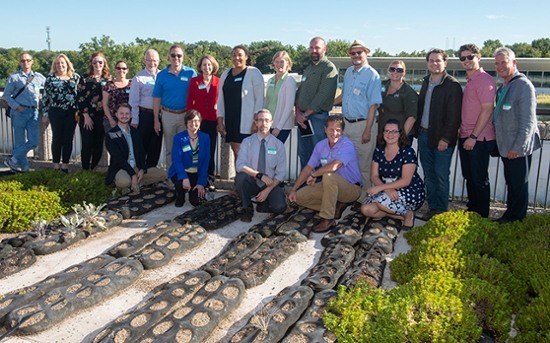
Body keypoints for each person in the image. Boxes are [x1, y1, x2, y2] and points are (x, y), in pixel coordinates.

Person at [288, 115, 362, 233]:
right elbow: (307, 168)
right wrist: (293, 189)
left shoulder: (347, 145)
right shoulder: (320, 145)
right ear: (325, 130)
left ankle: (328, 218)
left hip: (351, 189)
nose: (334, 133)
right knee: (299, 197)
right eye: (331, 129)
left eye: (338, 130)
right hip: (330, 186)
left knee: (328, 176)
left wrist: (314, 175)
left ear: (342, 131)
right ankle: (335, 207)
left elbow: (333, 167)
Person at [492, 47, 541, 224]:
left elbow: (528, 121)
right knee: (512, 183)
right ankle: (510, 216)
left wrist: (517, 147)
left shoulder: (523, 86)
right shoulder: (504, 86)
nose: (499, 66)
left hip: (516, 147)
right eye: (496, 63)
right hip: (506, 146)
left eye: (503, 62)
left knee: (519, 186)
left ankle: (517, 219)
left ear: (513, 63)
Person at [415, 48, 462, 221]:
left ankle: (442, 211)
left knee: (441, 174)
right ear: (427, 63)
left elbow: (454, 116)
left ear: (445, 62)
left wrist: (446, 138)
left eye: (438, 60)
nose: (434, 63)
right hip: (424, 135)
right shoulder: (426, 82)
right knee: (428, 173)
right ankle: (432, 207)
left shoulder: (452, 85)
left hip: (442, 138)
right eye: (431, 60)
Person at [334, 40, 382, 207]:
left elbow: (373, 104)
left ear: (366, 53)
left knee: (364, 165)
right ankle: (349, 195)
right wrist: (328, 104)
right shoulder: (348, 72)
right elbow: (344, 96)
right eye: (353, 53)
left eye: (359, 52)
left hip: (363, 125)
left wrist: (367, 130)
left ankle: (363, 199)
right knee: (346, 163)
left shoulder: (372, 75)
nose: (356, 56)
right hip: (347, 125)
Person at [361, 119, 425, 230]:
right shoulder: (379, 150)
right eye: (387, 131)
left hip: (410, 190)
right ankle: (397, 214)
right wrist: (387, 190)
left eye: (394, 131)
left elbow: (406, 181)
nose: (390, 134)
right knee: (366, 209)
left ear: (400, 134)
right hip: (387, 190)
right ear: (383, 133)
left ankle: (407, 215)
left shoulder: (408, 152)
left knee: (381, 202)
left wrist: (381, 188)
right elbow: (374, 176)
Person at [457, 44, 497, 218]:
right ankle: (472, 211)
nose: (466, 60)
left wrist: (473, 136)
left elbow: (487, 110)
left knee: (479, 179)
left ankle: (481, 216)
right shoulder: (471, 80)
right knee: (470, 176)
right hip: (466, 136)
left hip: (479, 139)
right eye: (463, 58)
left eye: (470, 57)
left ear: (478, 57)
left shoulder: (485, 80)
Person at [235, 109, 287, 222]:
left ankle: (262, 205)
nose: (264, 124)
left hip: (269, 183)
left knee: (280, 207)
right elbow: (239, 165)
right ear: (256, 123)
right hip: (252, 181)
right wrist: (259, 175)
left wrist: (267, 190)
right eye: (261, 120)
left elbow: (281, 173)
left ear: (271, 123)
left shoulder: (278, 145)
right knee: (241, 177)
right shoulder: (247, 142)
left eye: (267, 120)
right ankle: (247, 207)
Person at [295, 37, 338, 170]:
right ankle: (304, 187)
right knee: (304, 154)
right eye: (311, 48)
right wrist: (298, 114)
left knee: (319, 154)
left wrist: (305, 114)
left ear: (324, 49)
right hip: (303, 119)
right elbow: (300, 92)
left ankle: (318, 186)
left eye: (317, 48)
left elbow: (323, 95)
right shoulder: (308, 69)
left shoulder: (329, 68)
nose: (314, 51)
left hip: (317, 118)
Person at [217, 45, 264, 161]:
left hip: (246, 121)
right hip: (230, 120)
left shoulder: (253, 72)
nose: (236, 58)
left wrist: (255, 121)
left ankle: (245, 178)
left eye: (240, 55)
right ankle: (241, 177)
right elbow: (221, 98)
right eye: (234, 55)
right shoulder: (226, 74)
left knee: (241, 152)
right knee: (235, 150)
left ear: (246, 57)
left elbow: (259, 98)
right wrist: (220, 120)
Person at [153, 45, 197, 169]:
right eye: (173, 55)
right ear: (169, 57)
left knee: (186, 146)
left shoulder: (191, 73)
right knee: (170, 148)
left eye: (179, 55)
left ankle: (185, 176)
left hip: (185, 115)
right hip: (168, 115)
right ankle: (172, 177)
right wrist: (156, 120)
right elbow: (157, 99)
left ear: (183, 57)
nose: (176, 58)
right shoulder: (162, 75)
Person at [105, 103, 166, 190]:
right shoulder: (111, 135)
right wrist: (133, 174)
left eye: (127, 114)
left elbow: (141, 152)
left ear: (130, 115)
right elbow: (118, 159)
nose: (124, 116)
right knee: (124, 181)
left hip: (136, 166)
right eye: (121, 113)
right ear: (116, 115)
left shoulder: (135, 132)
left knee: (163, 175)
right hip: (121, 168)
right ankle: (128, 182)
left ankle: (138, 182)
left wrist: (141, 169)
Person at [2, 52, 45, 173]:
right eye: (22, 61)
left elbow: (48, 90)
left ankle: (13, 158)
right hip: (20, 112)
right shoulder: (14, 77)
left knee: (34, 141)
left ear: (32, 61)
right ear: (20, 62)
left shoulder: (39, 77)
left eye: (27, 60)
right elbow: (6, 95)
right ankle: (24, 168)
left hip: (34, 112)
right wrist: (16, 106)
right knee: (20, 141)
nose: (25, 62)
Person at [42, 54, 80, 173]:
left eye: (62, 63)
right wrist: (45, 114)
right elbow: (45, 97)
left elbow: (80, 95)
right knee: (57, 138)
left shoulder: (75, 77)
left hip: (71, 111)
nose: (60, 65)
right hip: (55, 111)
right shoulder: (50, 78)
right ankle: (56, 165)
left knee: (68, 139)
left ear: (67, 64)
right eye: (58, 63)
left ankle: (65, 166)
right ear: (55, 65)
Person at [187, 54, 220, 185]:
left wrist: (220, 121)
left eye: (209, 65)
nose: (207, 67)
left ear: (213, 67)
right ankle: (197, 179)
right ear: (200, 67)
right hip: (198, 122)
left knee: (210, 150)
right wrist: (190, 122)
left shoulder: (219, 81)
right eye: (204, 64)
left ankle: (210, 180)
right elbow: (190, 102)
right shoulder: (194, 81)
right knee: (197, 151)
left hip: (213, 120)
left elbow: (222, 102)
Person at [168, 110, 211, 208]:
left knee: (196, 202)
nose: (193, 123)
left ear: (200, 123)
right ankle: (180, 194)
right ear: (186, 123)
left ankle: (194, 189)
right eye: (190, 121)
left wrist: (201, 183)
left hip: (196, 172)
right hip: (181, 171)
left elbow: (205, 161)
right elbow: (176, 160)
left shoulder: (205, 138)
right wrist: (184, 178)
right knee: (180, 184)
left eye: (196, 121)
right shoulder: (179, 138)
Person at [129, 49, 162, 169]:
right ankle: (141, 171)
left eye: (154, 60)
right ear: (144, 61)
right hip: (144, 115)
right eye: (149, 60)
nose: (151, 63)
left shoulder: (163, 76)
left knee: (155, 145)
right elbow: (133, 101)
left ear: (159, 61)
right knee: (142, 145)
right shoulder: (138, 78)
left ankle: (152, 173)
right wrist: (135, 119)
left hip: (159, 115)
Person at [77, 52, 110, 170]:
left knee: (98, 143)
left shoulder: (108, 79)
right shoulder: (84, 78)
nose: (97, 64)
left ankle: (93, 168)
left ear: (104, 63)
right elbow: (80, 97)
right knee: (87, 142)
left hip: (102, 115)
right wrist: (85, 115)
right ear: (91, 63)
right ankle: (85, 169)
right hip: (87, 115)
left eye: (100, 62)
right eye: (95, 62)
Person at [379, 60, 418, 140]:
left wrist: (401, 138)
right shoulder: (382, 85)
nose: (395, 72)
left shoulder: (408, 92)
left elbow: (412, 118)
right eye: (392, 69)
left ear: (404, 73)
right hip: (384, 133)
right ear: (388, 71)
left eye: (399, 70)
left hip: (399, 135)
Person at [264, 50, 296, 143]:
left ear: (288, 63)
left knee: (274, 152)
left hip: (282, 126)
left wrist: (279, 127)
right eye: (276, 62)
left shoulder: (289, 81)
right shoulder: (270, 80)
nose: (279, 64)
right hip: (268, 124)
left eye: (282, 62)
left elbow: (289, 106)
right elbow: (267, 102)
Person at [102, 60, 132, 133]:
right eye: (118, 68)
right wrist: (110, 119)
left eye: (124, 68)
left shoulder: (132, 84)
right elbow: (105, 104)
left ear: (127, 70)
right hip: (111, 120)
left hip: (128, 119)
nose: (121, 70)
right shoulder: (109, 85)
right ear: (115, 69)